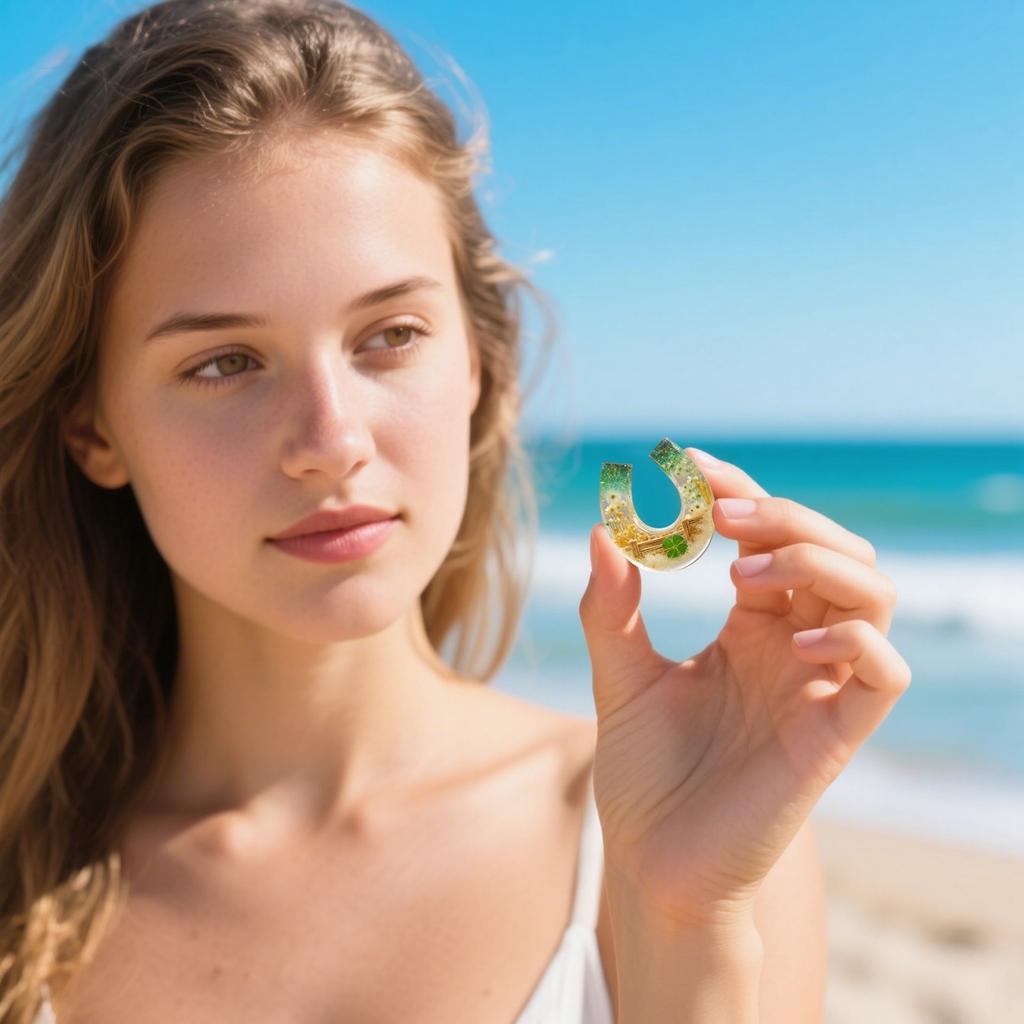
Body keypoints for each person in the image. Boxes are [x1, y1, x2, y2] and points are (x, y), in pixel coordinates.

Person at [0, 2, 911, 1022]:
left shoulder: (677, 824)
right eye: (224, 362)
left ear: (477, 361)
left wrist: (684, 924)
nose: (332, 439)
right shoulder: (17, 875)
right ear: (93, 429)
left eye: (388, 335)